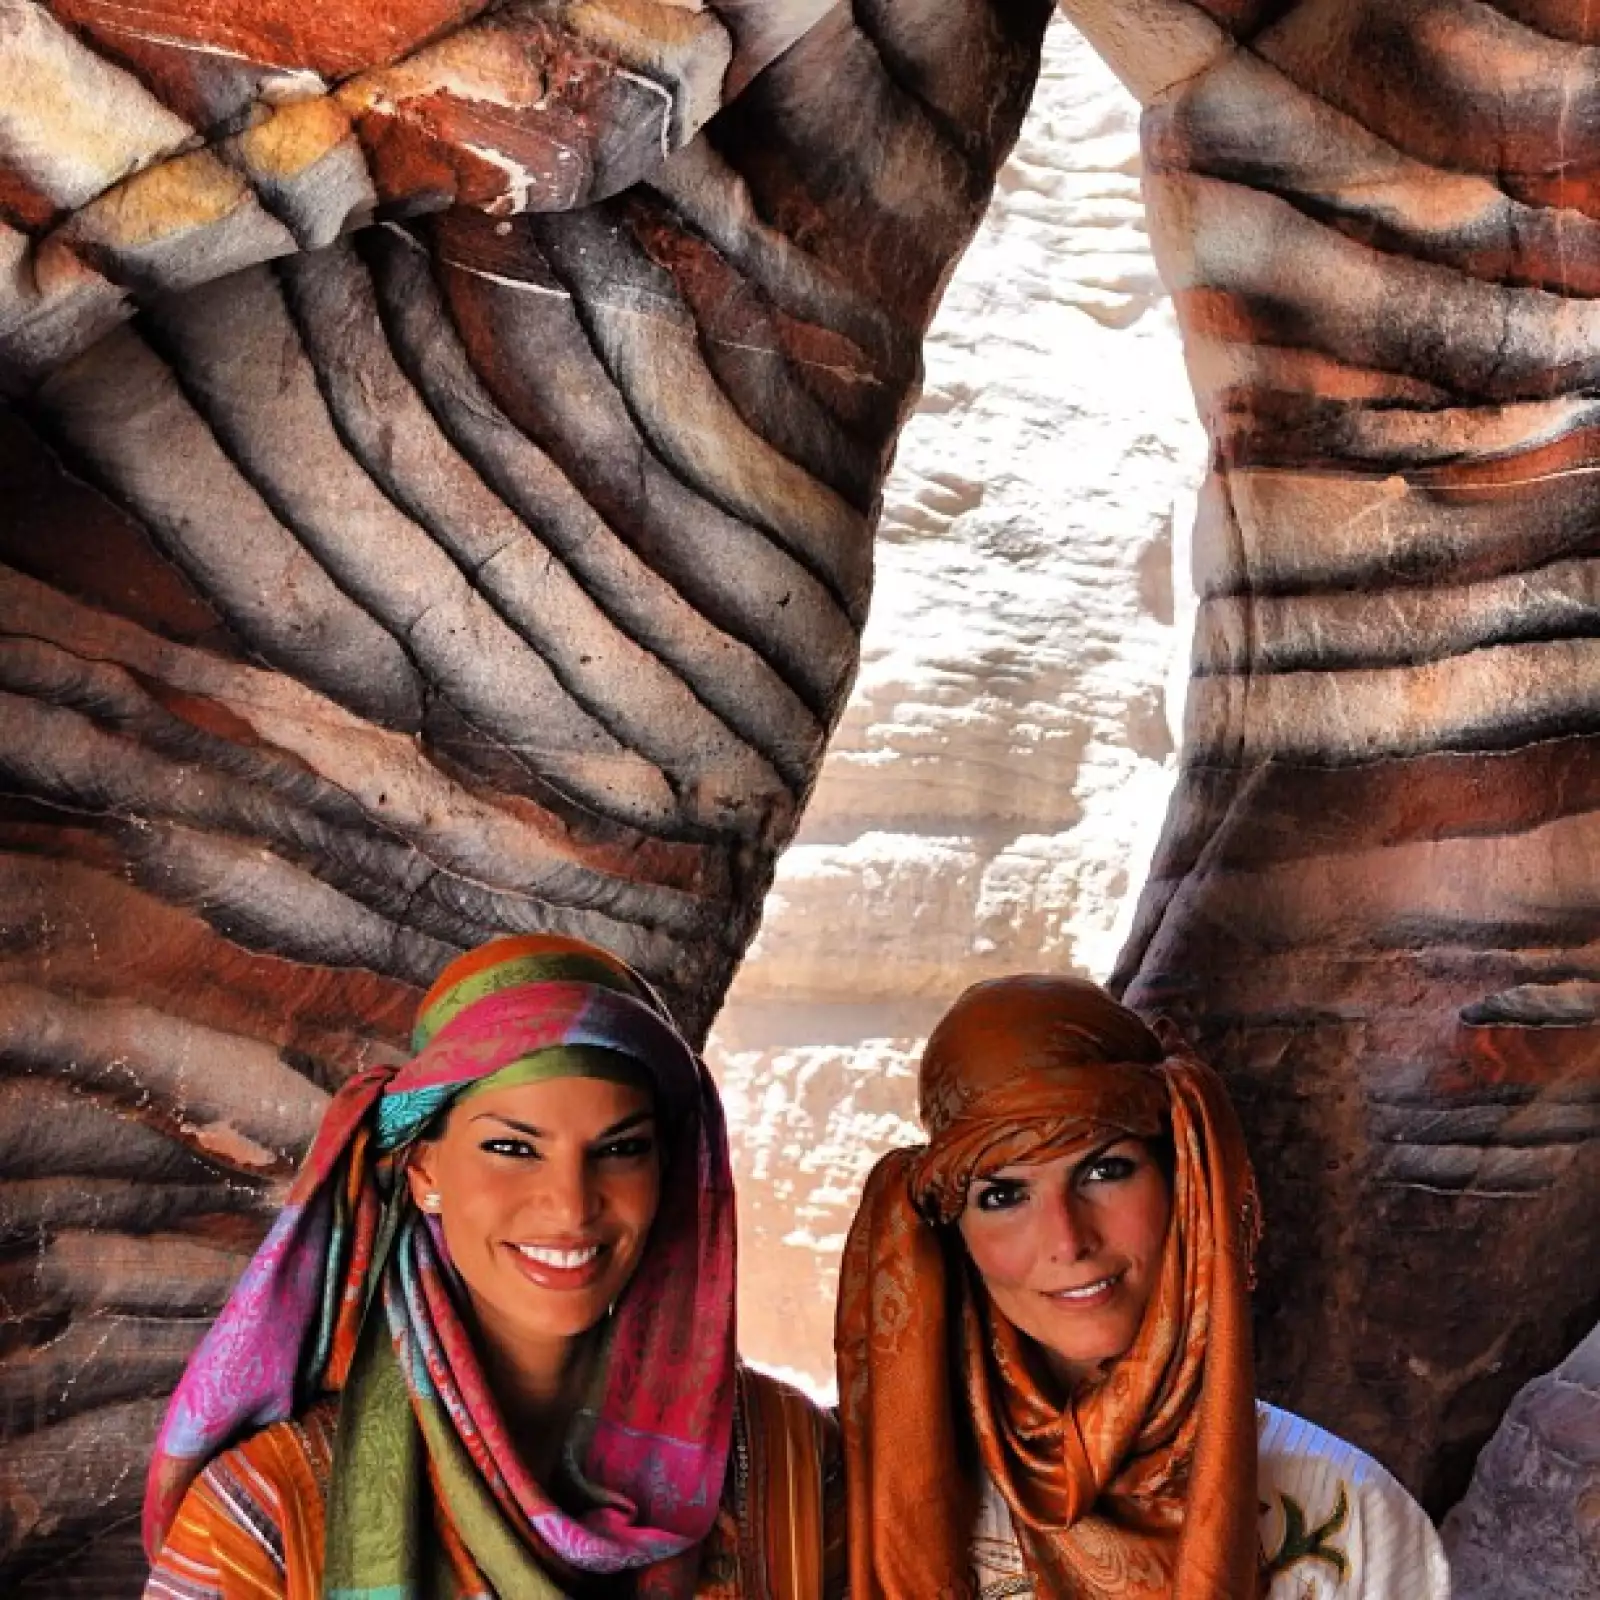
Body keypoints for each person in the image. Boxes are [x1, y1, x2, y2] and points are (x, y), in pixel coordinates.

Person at [144, 933, 842, 1599]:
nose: (571, 1206)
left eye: (620, 1149)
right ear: (423, 1171)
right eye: (513, 1149)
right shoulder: (268, 1514)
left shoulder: (792, 1463)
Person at [835, 973, 1451, 1599]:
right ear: (955, 1232)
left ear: (1180, 1182)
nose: (1068, 1240)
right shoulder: (854, 1505)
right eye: (1003, 1195)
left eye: (1104, 1170)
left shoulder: (1354, 1515)